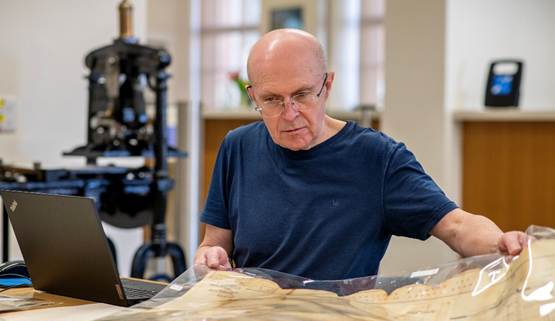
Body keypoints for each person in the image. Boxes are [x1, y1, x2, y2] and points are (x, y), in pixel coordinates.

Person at [194, 28, 527, 280]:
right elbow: (214, 243)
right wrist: (209, 258)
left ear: (327, 86)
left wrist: (503, 244)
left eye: (303, 95)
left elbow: (455, 224)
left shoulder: (377, 158)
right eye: (272, 100)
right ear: (253, 95)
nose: (290, 113)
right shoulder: (237, 147)